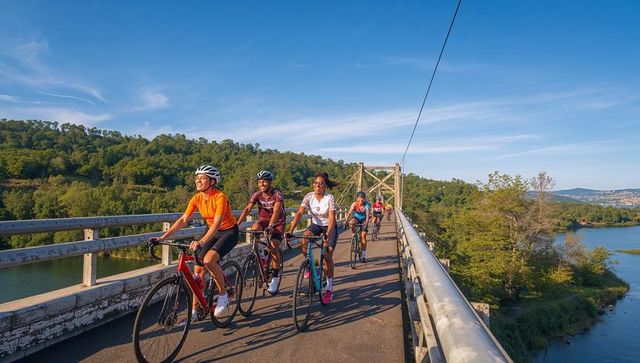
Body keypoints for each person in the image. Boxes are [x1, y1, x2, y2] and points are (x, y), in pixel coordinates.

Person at [150, 165, 238, 319]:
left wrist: (202, 242)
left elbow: (217, 223)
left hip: (228, 232)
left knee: (209, 260)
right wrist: (163, 237)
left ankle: (223, 295)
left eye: (202, 178)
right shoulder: (197, 198)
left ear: (212, 181)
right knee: (198, 273)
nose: (198, 181)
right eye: (197, 178)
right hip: (211, 231)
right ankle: (195, 311)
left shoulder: (220, 197)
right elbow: (184, 220)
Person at [286, 172, 338, 304]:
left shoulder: (329, 197)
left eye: (321, 183)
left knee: (327, 255)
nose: (318, 185)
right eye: (316, 183)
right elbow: (299, 213)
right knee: (304, 238)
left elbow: (332, 217)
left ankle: (329, 289)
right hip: (316, 225)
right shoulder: (308, 196)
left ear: (325, 185)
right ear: (313, 185)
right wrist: (291, 230)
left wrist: (327, 234)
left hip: (329, 227)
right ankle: (311, 264)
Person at [236, 170, 286, 294]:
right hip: (263, 220)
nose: (261, 184)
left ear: (270, 182)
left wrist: (271, 226)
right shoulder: (257, 194)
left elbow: (275, 211)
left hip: (278, 222)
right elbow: (248, 208)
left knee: (274, 246)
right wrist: (237, 225)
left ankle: (275, 276)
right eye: (259, 182)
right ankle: (262, 255)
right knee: (254, 228)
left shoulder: (277, 194)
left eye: (264, 181)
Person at [344, 191, 371, 263]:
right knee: (351, 223)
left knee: (363, 236)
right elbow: (349, 213)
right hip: (356, 218)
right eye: (359, 198)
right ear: (357, 198)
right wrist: (345, 221)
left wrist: (366, 223)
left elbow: (368, 215)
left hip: (364, 219)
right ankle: (354, 235)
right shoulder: (354, 204)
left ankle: (363, 255)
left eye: (362, 198)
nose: (361, 200)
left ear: (365, 199)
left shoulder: (366, 205)